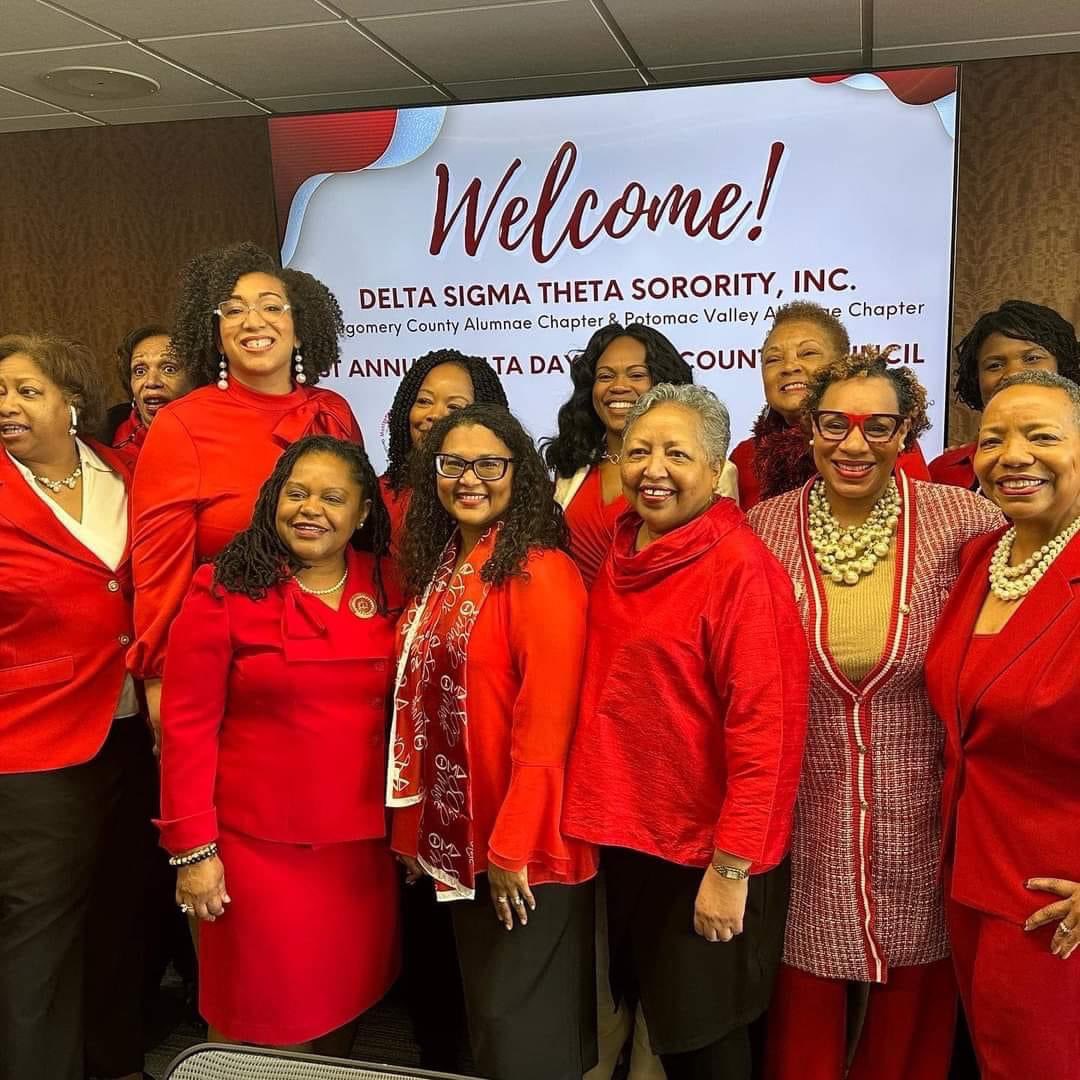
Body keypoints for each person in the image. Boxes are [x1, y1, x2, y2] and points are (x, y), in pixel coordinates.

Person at [747, 353, 1002, 1080]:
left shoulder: (964, 522)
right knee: (804, 1031)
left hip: (922, 823)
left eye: (877, 426)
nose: (853, 445)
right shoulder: (765, 529)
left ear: (905, 432)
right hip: (807, 822)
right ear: (810, 428)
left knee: (910, 1035)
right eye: (836, 423)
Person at [564, 383, 810, 1080]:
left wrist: (731, 869)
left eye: (677, 453)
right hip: (631, 837)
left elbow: (769, 732)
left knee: (705, 1042)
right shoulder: (622, 550)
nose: (654, 468)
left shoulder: (740, 570)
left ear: (714, 471)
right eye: (638, 451)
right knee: (657, 1022)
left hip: (706, 855)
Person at [157, 436, 400, 1051]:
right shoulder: (225, 588)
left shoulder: (392, 581)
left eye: (331, 497)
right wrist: (193, 852)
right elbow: (186, 728)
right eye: (296, 493)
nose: (310, 509)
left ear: (363, 513)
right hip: (256, 852)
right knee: (255, 1021)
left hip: (361, 854)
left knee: (344, 1011)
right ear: (273, 501)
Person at [389, 404, 598, 1080]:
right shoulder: (449, 564)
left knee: (521, 1031)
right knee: (494, 1025)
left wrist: (515, 844)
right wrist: (423, 830)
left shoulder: (539, 570)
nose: (469, 478)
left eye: (489, 464)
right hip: (465, 841)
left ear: (521, 474)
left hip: (521, 846)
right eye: (452, 464)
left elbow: (548, 723)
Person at [128, 241, 362, 750]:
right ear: (215, 331)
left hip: (341, 662)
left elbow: (361, 542)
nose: (253, 320)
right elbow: (158, 568)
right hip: (233, 670)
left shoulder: (335, 413)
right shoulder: (181, 424)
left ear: (300, 326)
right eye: (233, 309)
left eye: (271, 306)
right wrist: (159, 679)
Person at [0, 333, 150, 1080]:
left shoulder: (121, 469)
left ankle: (115, 1061)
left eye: (27, 390)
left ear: (72, 401)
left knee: (122, 917)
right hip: (34, 744)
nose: (8, 405)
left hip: (132, 733)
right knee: (39, 933)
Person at [925, 370, 1080, 1079]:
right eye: (993, 440)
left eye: (1041, 436)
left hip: (1057, 899)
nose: (1013, 455)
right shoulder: (983, 558)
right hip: (971, 874)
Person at [544, 322, 737, 591]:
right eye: (605, 376)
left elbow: (720, 563)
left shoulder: (711, 470)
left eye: (636, 375)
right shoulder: (573, 468)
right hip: (573, 628)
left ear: (663, 383)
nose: (618, 386)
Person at [730, 303, 929, 509]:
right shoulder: (744, 457)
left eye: (808, 353)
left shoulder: (887, 443)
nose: (789, 367)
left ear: (842, 365)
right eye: (773, 359)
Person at [929, 300, 1080, 490]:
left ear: (1063, 367)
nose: (1014, 373)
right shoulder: (946, 473)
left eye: (1032, 358)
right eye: (995, 365)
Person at [380, 348, 507, 543]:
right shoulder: (381, 495)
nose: (435, 415)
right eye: (424, 401)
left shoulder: (502, 494)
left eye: (454, 407)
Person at [109, 324, 193, 465]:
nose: (151, 382)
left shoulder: (219, 437)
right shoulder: (111, 453)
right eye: (140, 371)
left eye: (169, 369)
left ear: (195, 381)